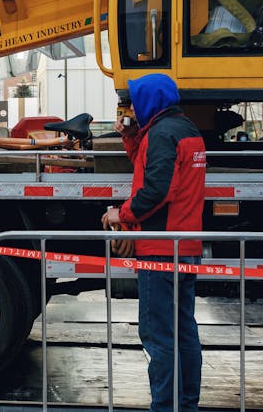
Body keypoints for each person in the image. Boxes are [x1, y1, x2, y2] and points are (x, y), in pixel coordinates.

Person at [102, 73, 206, 412]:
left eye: (134, 101)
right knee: (184, 331)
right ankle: (185, 404)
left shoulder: (161, 135)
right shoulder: (186, 131)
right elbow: (150, 170)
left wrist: (124, 214)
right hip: (186, 246)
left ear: (150, 101)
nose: (129, 107)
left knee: (158, 335)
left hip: (160, 249)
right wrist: (132, 139)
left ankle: (164, 406)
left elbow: (158, 189)